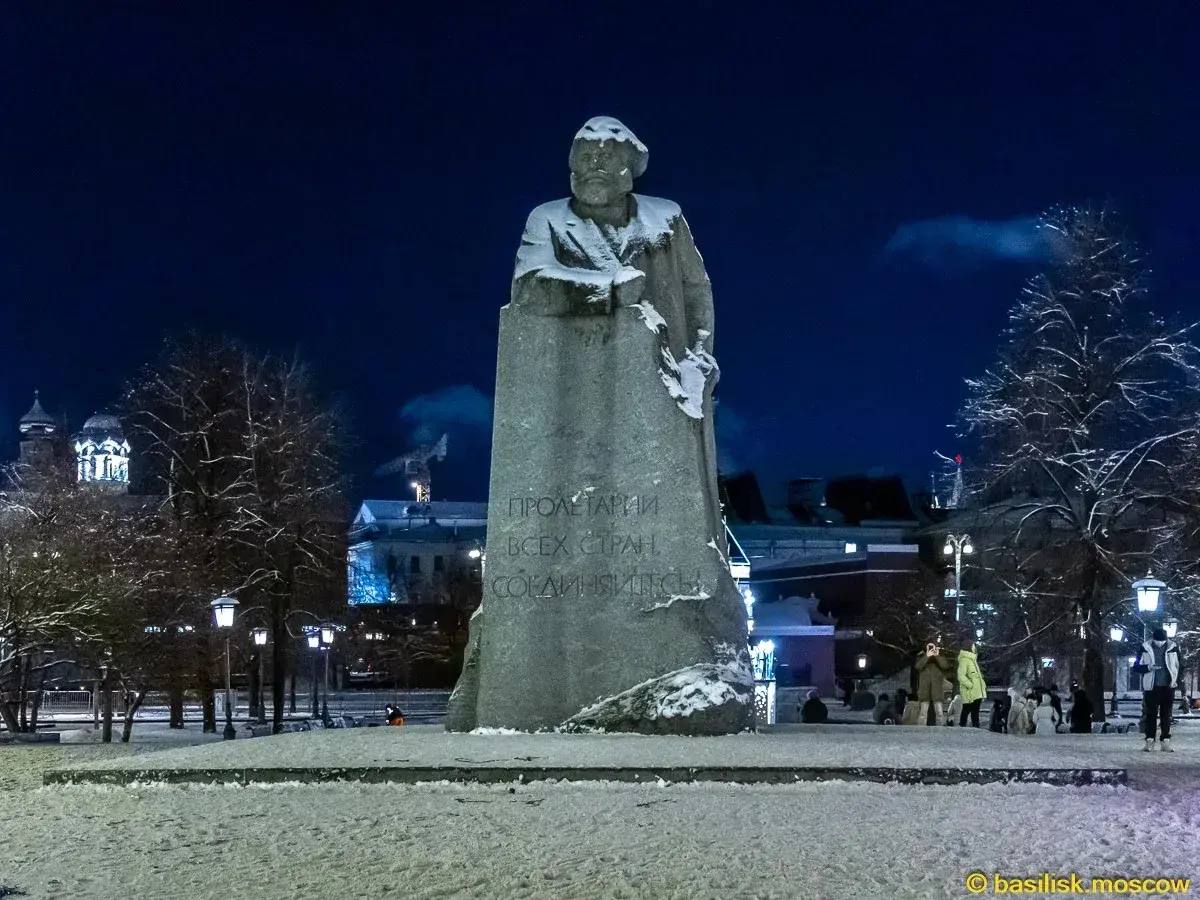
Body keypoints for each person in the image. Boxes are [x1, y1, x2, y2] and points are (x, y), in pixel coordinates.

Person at [1132, 626, 1181, 752]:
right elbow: (1136, 666)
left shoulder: (1173, 647)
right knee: (1151, 715)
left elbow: (1179, 666)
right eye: (1157, 641)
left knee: (1166, 715)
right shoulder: (1144, 648)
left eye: (1162, 641)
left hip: (1168, 687)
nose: (1160, 644)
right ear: (1153, 639)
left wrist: (1176, 681)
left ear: (1166, 639)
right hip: (1151, 687)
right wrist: (1148, 667)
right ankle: (1150, 741)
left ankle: (1165, 741)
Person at [914, 641, 951, 726]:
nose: (931, 648)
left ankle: (940, 730)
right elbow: (918, 666)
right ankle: (921, 730)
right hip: (924, 690)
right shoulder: (921, 656)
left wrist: (937, 655)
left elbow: (945, 666)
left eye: (933, 646)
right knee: (923, 714)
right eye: (929, 647)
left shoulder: (940, 656)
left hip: (937, 691)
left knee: (940, 714)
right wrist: (927, 656)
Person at [956, 640, 988, 728]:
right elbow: (961, 676)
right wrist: (970, 685)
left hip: (976, 691)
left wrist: (982, 686)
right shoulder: (964, 660)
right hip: (969, 691)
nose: (975, 648)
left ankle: (975, 727)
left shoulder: (973, 660)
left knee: (975, 711)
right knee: (967, 709)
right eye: (974, 646)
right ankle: (963, 727)